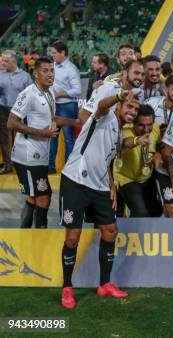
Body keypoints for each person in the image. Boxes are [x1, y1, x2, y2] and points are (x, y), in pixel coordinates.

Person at [58, 75, 142, 309]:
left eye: (136, 110)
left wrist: (111, 184)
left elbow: (107, 160)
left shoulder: (118, 132)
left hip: (99, 186)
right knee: (73, 237)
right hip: (75, 181)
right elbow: (103, 104)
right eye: (130, 106)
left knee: (110, 230)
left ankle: (104, 283)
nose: (133, 112)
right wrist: (119, 95)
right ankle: (67, 287)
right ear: (120, 105)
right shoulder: (104, 117)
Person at [7, 57, 76, 228]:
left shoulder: (50, 93)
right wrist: (41, 132)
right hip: (28, 155)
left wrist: (76, 122)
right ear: (35, 74)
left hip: (41, 154)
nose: (50, 74)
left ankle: (25, 235)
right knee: (44, 196)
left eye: (52, 70)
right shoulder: (28, 93)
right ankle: (40, 233)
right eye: (45, 71)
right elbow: (11, 122)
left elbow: (52, 119)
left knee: (33, 197)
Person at [113, 104, 162, 217]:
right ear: (133, 123)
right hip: (126, 178)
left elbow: (158, 144)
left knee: (156, 211)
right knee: (140, 212)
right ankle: (132, 234)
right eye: (141, 125)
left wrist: (157, 154)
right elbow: (124, 143)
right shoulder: (125, 130)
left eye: (149, 125)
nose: (146, 129)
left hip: (146, 177)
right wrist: (136, 140)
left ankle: (147, 234)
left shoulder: (155, 128)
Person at [49, 40, 82, 174]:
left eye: (54, 53)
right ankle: (50, 166)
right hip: (54, 107)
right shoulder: (52, 66)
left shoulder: (71, 69)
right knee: (52, 136)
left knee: (69, 139)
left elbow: (78, 90)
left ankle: (69, 168)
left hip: (68, 107)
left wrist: (60, 93)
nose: (52, 55)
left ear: (63, 53)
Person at [0, 50, 32, 174]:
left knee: (23, 137)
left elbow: (31, 95)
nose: (3, 63)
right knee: (4, 138)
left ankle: (24, 163)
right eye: (2, 60)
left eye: (6, 61)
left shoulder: (25, 76)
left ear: (14, 62)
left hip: (20, 111)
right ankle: (8, 165)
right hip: (2, 109)